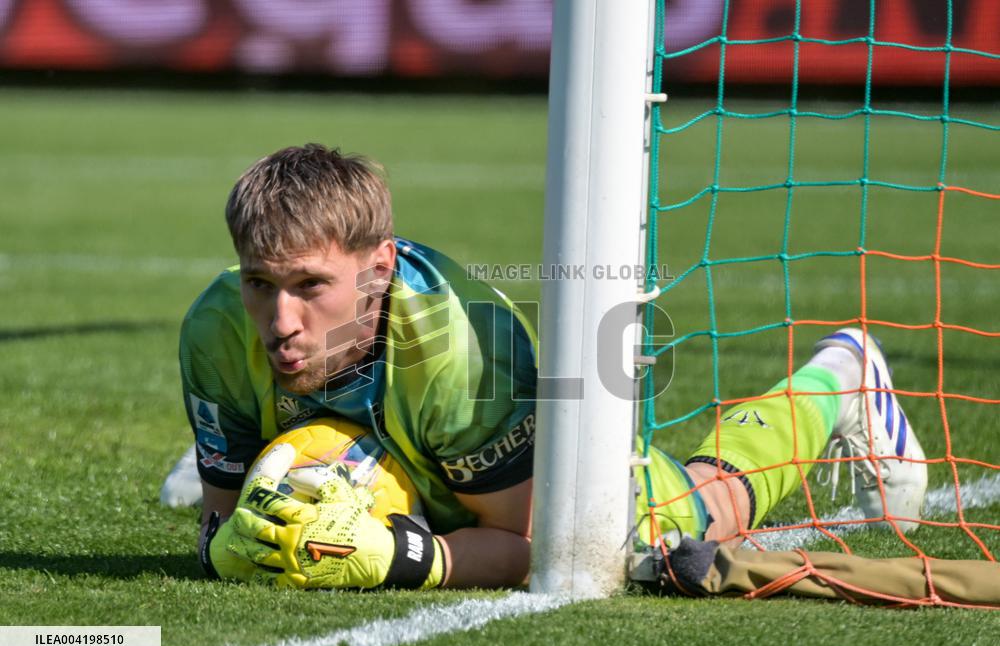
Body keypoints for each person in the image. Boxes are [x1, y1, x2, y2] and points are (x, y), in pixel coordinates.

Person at [162, 143, 927, 590]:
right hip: (412, 465)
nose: (281, 322)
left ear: (379, 266)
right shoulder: (218, 329)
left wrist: (402, 558)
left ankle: (843, 375)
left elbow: (531, 544)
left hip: (520, 480)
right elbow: (226, 524)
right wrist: (229, 540)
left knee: (703, 506)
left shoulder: (462, 347)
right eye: (260, 284)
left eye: (310, 287)